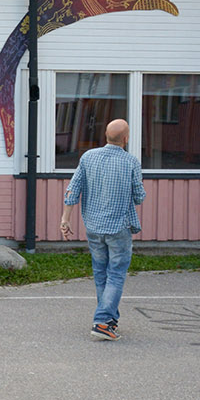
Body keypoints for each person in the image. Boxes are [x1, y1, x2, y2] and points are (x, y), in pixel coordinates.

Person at [59, 118, 145, 341]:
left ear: (106, 136)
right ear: (125, 139)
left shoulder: (88, 157)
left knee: (100, 274)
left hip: (94, 227)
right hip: (119, 228)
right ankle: (102, 321)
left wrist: (65, 219)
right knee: (115, 274)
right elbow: (139, 196)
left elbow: (73, 189)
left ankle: (109, 320)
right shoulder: (131, 162)